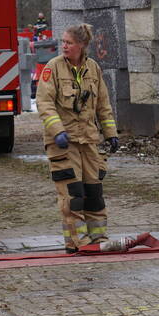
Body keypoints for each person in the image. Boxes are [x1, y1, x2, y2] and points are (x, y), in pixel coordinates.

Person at [35, 23, 119, 253]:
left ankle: (98, 239)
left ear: (82, 45)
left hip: (89, 142)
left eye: (69, 43)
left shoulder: (94, 69)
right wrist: (57, 131)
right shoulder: (53, 68)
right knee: (73, 196)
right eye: (63, 42)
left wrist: (111, 134)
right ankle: (77, 242)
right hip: (63, 143)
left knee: (94, 193)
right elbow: (44, 103)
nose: (64, 46)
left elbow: (103, 105)